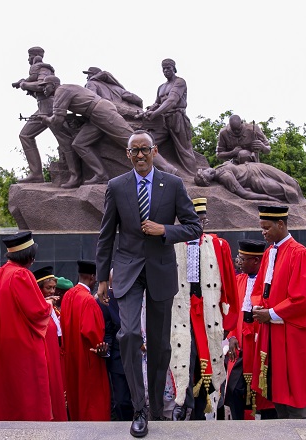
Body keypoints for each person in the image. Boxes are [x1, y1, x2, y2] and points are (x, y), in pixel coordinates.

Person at [96, 129, 201, 437]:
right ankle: (139, 409)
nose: (140, 155)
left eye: (145, 150)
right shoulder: (117, 186)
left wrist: (164, 230)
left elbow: (194, 226)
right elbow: (106, 234)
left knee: (159, 344)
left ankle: (156, 405)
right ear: (127, 154)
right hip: (127, 270)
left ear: (155, 151)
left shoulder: (173, 184)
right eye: (134, 151)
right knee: (128, 334)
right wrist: (101, 278)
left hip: (160, 271)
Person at [170, 198, 238, 421]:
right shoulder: (172, 245)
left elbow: (229, 284)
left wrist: (230, 323)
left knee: (208, 358)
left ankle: (207, 405)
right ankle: (182, 401)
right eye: (192, 221)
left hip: (209, 312)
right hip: (183, 312)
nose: (197, 225)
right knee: (184, 357)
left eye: (200, 221)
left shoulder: (218, 245)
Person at [39, 75, 178, 184]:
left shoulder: (61, 90)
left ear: (54, 84)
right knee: (79, 143)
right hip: (94, 116)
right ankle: (101, 175)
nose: (43, 89)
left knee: (132, 141)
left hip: (101, 112)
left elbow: (57, 120)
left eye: (45, 86)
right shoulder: (67, 88)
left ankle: (167, 168)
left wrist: (46, 119)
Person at [250, 205, 306, 419]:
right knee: (276, 387)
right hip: (272, 332)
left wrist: (271, 313)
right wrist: (258, 305)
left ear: (281, 224)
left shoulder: (300, 253)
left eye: (266, 227)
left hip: (292, 334)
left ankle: (298, 429)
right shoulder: (270, 252)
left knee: (294, 388)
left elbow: (302, 298)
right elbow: (259, 289)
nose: (263, 232)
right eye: (261, 228)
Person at [0, 232, 57, 421]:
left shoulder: (1, 272)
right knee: (28, 392)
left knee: (10, 391)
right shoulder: (22, 274)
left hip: (4, 341)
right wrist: (49, 304)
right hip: (23, 343)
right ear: (28, 256)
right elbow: (37, 311)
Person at [224, 239, 277, 420]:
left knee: (265, 392)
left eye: (243, 259)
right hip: (240, 345)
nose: (238, 262)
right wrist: (231, 336)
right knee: (234, 390)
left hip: (261, 344)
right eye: (238, 257)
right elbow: (230, 311)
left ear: (255, 261)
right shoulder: (238, 280)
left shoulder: (268, 283)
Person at [61, 260, 111, 421]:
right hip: (88, 358)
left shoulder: (68, 296)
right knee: (93, 403)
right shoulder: (88, 300)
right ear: (92, 277)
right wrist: (103, 348)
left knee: (76, 399)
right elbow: (93, 334)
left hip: (72, 356)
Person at [139, 58, 198, 176]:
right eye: (164, 69)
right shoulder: (161, 87)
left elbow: (172, 100)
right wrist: (148, 111)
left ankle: (194, 176)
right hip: (163, 121)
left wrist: (155, 113)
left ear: (174, 69)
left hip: (178, 119)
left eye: (168, 68)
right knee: (149, 142)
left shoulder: (180, 82)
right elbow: (157, 103)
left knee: (184, 150)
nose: (166, 71)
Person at [12, 46, 57, 183]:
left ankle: (36, 174)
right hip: (45, 106)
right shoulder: (41, 69)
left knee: (25, 135)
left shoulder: (42, 68)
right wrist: (23, 83)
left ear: (36, 56)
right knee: (65, 140)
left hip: (48, 107)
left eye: (30, 56)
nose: (28, 60)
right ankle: (36, 174)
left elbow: (41, 86)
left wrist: (25, 85)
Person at [32, 266, 68, 422]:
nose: (52, 291)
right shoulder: (38, 310)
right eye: (48, 288)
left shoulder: (53, 308)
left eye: (54, 288)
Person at [98, 269, 134, 421]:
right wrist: (105, 352)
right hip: (118, 358)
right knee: (121, 401)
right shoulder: (106, 302)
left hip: (140, 357)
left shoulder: (137, 297)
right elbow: (107, 331)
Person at [194, 162, 303, 203]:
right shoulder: (225, 177)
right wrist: (268, 198)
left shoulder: (218, 167)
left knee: (291, 182)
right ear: (209, 182)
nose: (209, 172)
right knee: (289, 192)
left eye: (205, 171)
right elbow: (244, 194)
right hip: (255, 180)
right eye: (207, 175)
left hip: (256, 167)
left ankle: (301, 199)